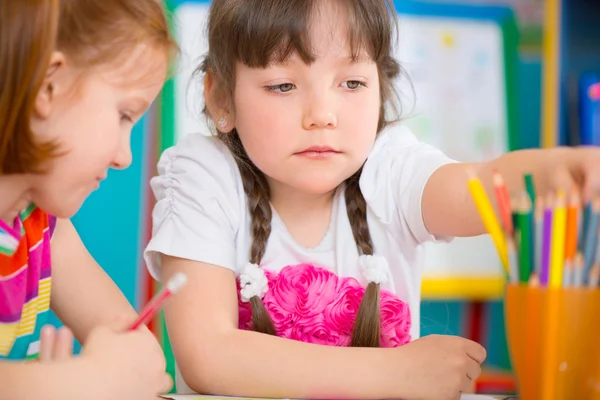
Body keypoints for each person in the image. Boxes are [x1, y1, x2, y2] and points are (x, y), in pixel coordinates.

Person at [144, 0, 600, 399]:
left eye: (352, 84)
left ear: (381, 89)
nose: (321, 115)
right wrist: (396, 372)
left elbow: (478, 186)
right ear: (221, 98)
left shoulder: (391, 166)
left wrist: (563, 169)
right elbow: (209, 355)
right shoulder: (203, 175)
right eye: (283, 85)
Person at [0, 0, 177, 398]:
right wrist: (78, 384)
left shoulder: (41, 224)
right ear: (49, 85)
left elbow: (137, 354)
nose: (124, 156)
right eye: (123, 115)